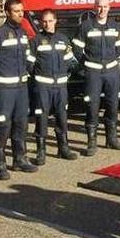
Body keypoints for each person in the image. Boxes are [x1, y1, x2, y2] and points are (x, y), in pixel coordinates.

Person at [0, 0, 37, 178]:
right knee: (3, 125)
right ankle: (0, 164)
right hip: (5, 89)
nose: (20, 14)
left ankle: (19, 159)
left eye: (21, 11)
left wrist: (28, 72)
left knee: (21, 123)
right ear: (7, 12)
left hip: (21, 87)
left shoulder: (22, 33)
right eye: (16, 11)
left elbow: (29, 57)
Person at [72, 0, 120, 156]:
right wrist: (88, 64)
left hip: (111, 71)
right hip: (93, 72)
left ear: (109, 8)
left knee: (113, 105)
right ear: (94, 8)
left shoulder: (115, 27)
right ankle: (92, 142)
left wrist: (109, 60)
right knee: (92, 106)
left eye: (105, 6)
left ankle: (112, 139)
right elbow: (77, 49)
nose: (102, 9)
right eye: (99, 6)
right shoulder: (85, 27)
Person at [29, 9, 79, 164]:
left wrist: (66, 74)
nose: (47, 24)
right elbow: (29, 64)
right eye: (44, 21)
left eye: (50, 21)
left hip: (60, 86)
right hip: (43, 86)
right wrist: (38, 79)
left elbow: (71, 62)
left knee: (62, 116)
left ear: (55, 21)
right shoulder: (35, 41)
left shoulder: (63, 39)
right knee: (42, 117)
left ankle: (63, 147)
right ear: (41, 23)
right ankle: (41, 151)